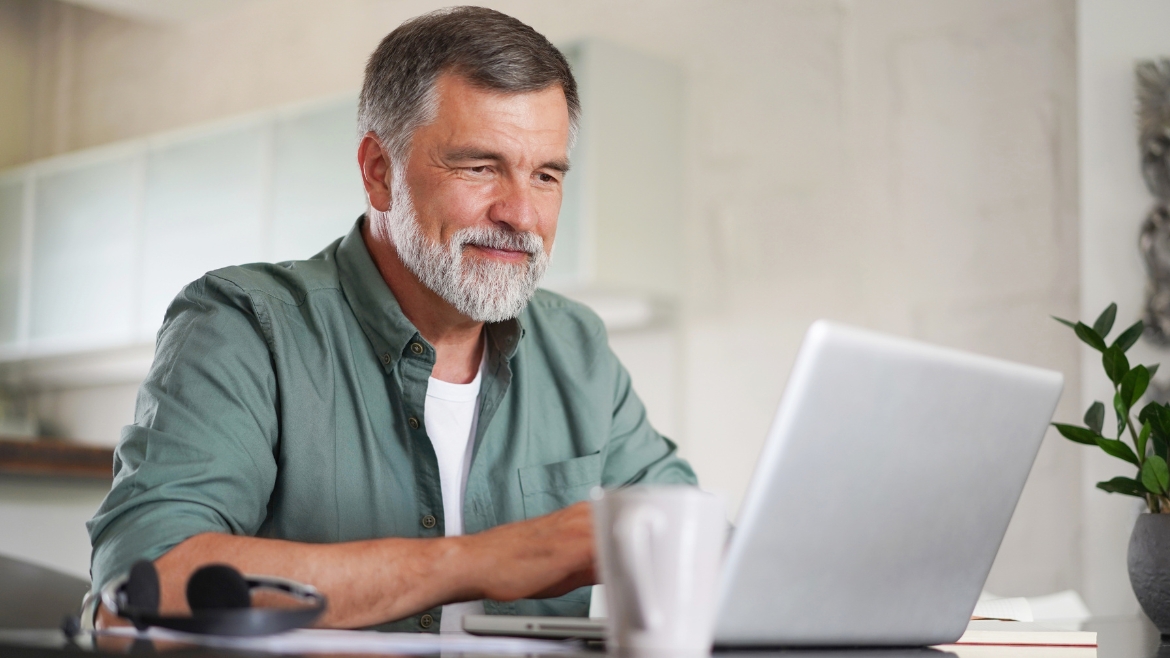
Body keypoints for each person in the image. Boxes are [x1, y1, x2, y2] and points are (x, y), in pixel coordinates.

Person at [87, 6, 696, 633]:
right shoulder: (244, 325)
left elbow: (697, 537)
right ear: (379, 172)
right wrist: (488, 560)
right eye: (479, 167)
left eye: (545, 175)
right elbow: (143, 588)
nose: (520, 211)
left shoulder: (578, 346)